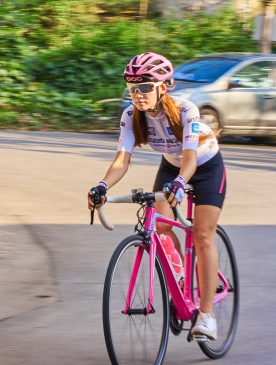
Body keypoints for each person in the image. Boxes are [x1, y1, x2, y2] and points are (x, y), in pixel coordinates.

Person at [87, 52, 226, 340]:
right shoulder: (131, 115)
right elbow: (121, 161)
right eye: (132, 88)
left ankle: (207, 315)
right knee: (160, 228)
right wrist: (102, 186)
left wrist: (179, 182)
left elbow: (190, 160)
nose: (138, 94)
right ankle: (182, 279)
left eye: (146, 87)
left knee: (201, 235)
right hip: (172, 166)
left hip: (204, 166)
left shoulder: (186, 110)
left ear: (164, 86)